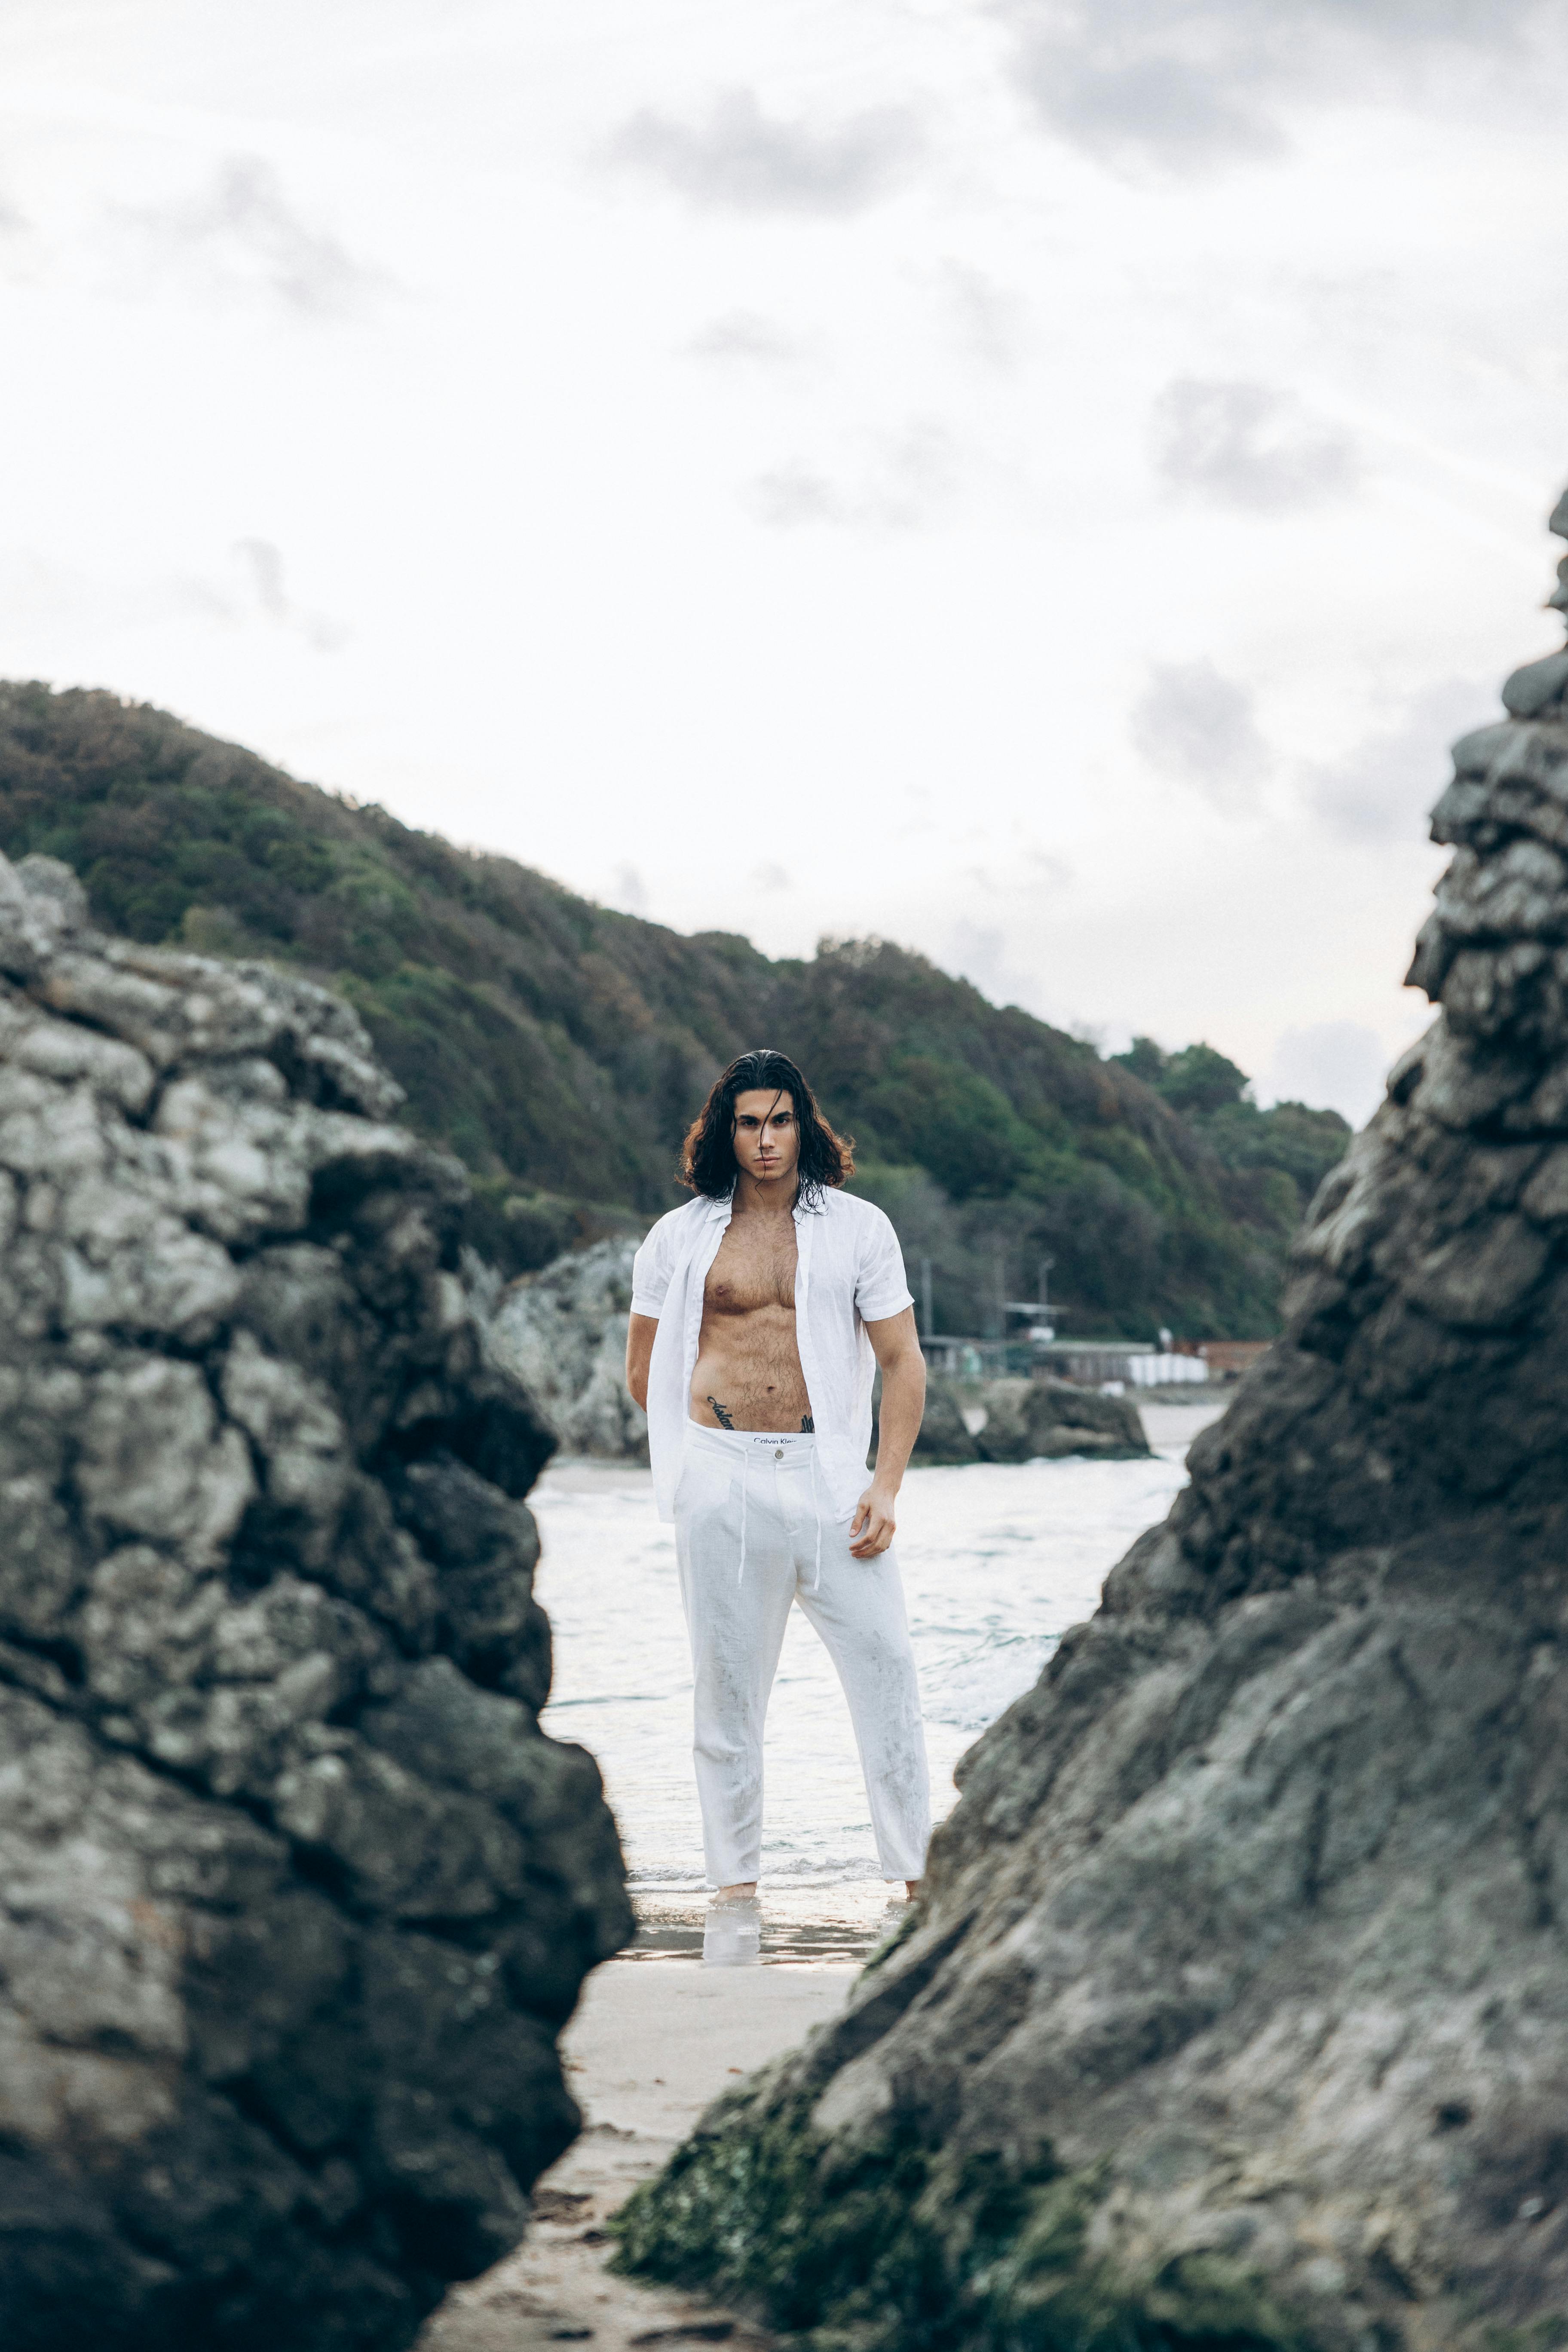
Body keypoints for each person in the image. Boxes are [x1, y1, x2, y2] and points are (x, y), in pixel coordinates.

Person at [625, 1048, 931, 1903]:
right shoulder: (679, 1238)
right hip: (721, 1478)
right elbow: (644, 1369)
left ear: (805, 1125)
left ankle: (915, 1879)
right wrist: (700, 1462)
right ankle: (735, 1894)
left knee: (888, 1669)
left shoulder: (860, 1228)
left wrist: (885, 1485)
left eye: (782, 1120)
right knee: (726, 1694)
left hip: (830, 1477)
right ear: (727, 1131)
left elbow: (903, 1362)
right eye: (751, 1122)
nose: (767, 1140)